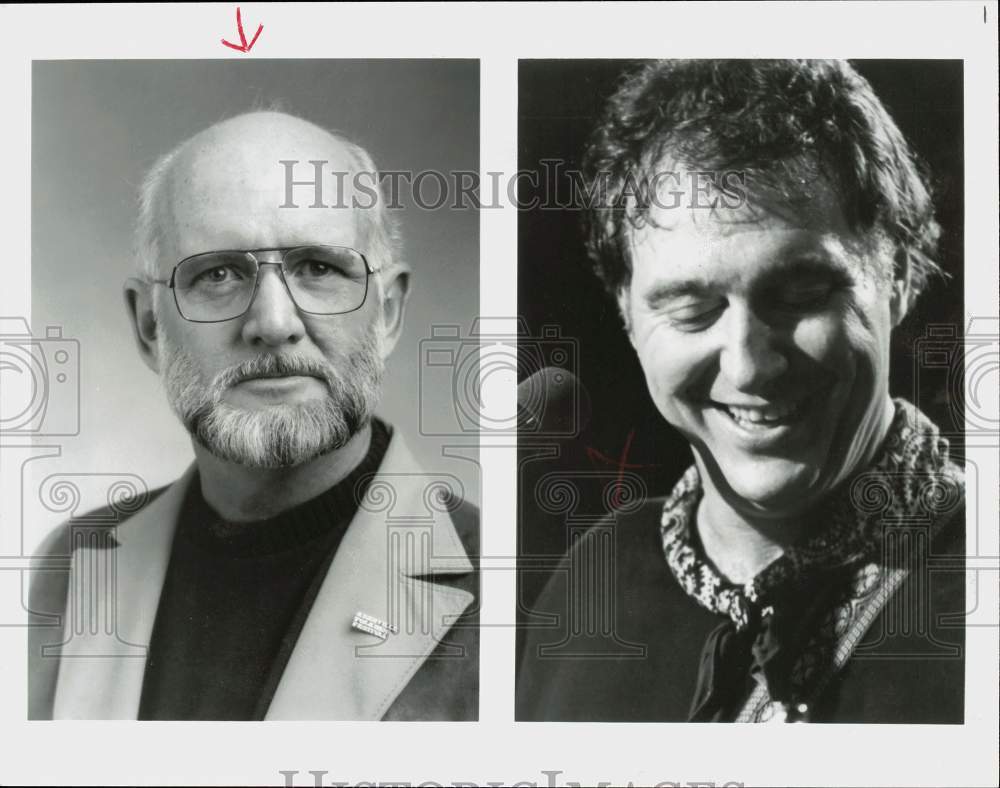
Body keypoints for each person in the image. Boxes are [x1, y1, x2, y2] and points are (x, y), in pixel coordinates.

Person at [517, 60, 966, 723]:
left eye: (801, 295)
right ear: (626, 310)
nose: (751, 368)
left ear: (897, 277)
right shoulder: (591, 575)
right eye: (692, 310)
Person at [28, 111, 478, 720]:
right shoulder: (70, 567)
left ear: (388, 312)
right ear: (149, 326)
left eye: (318, 268)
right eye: (217, 274)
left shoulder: (509, 592)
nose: (272, 324)